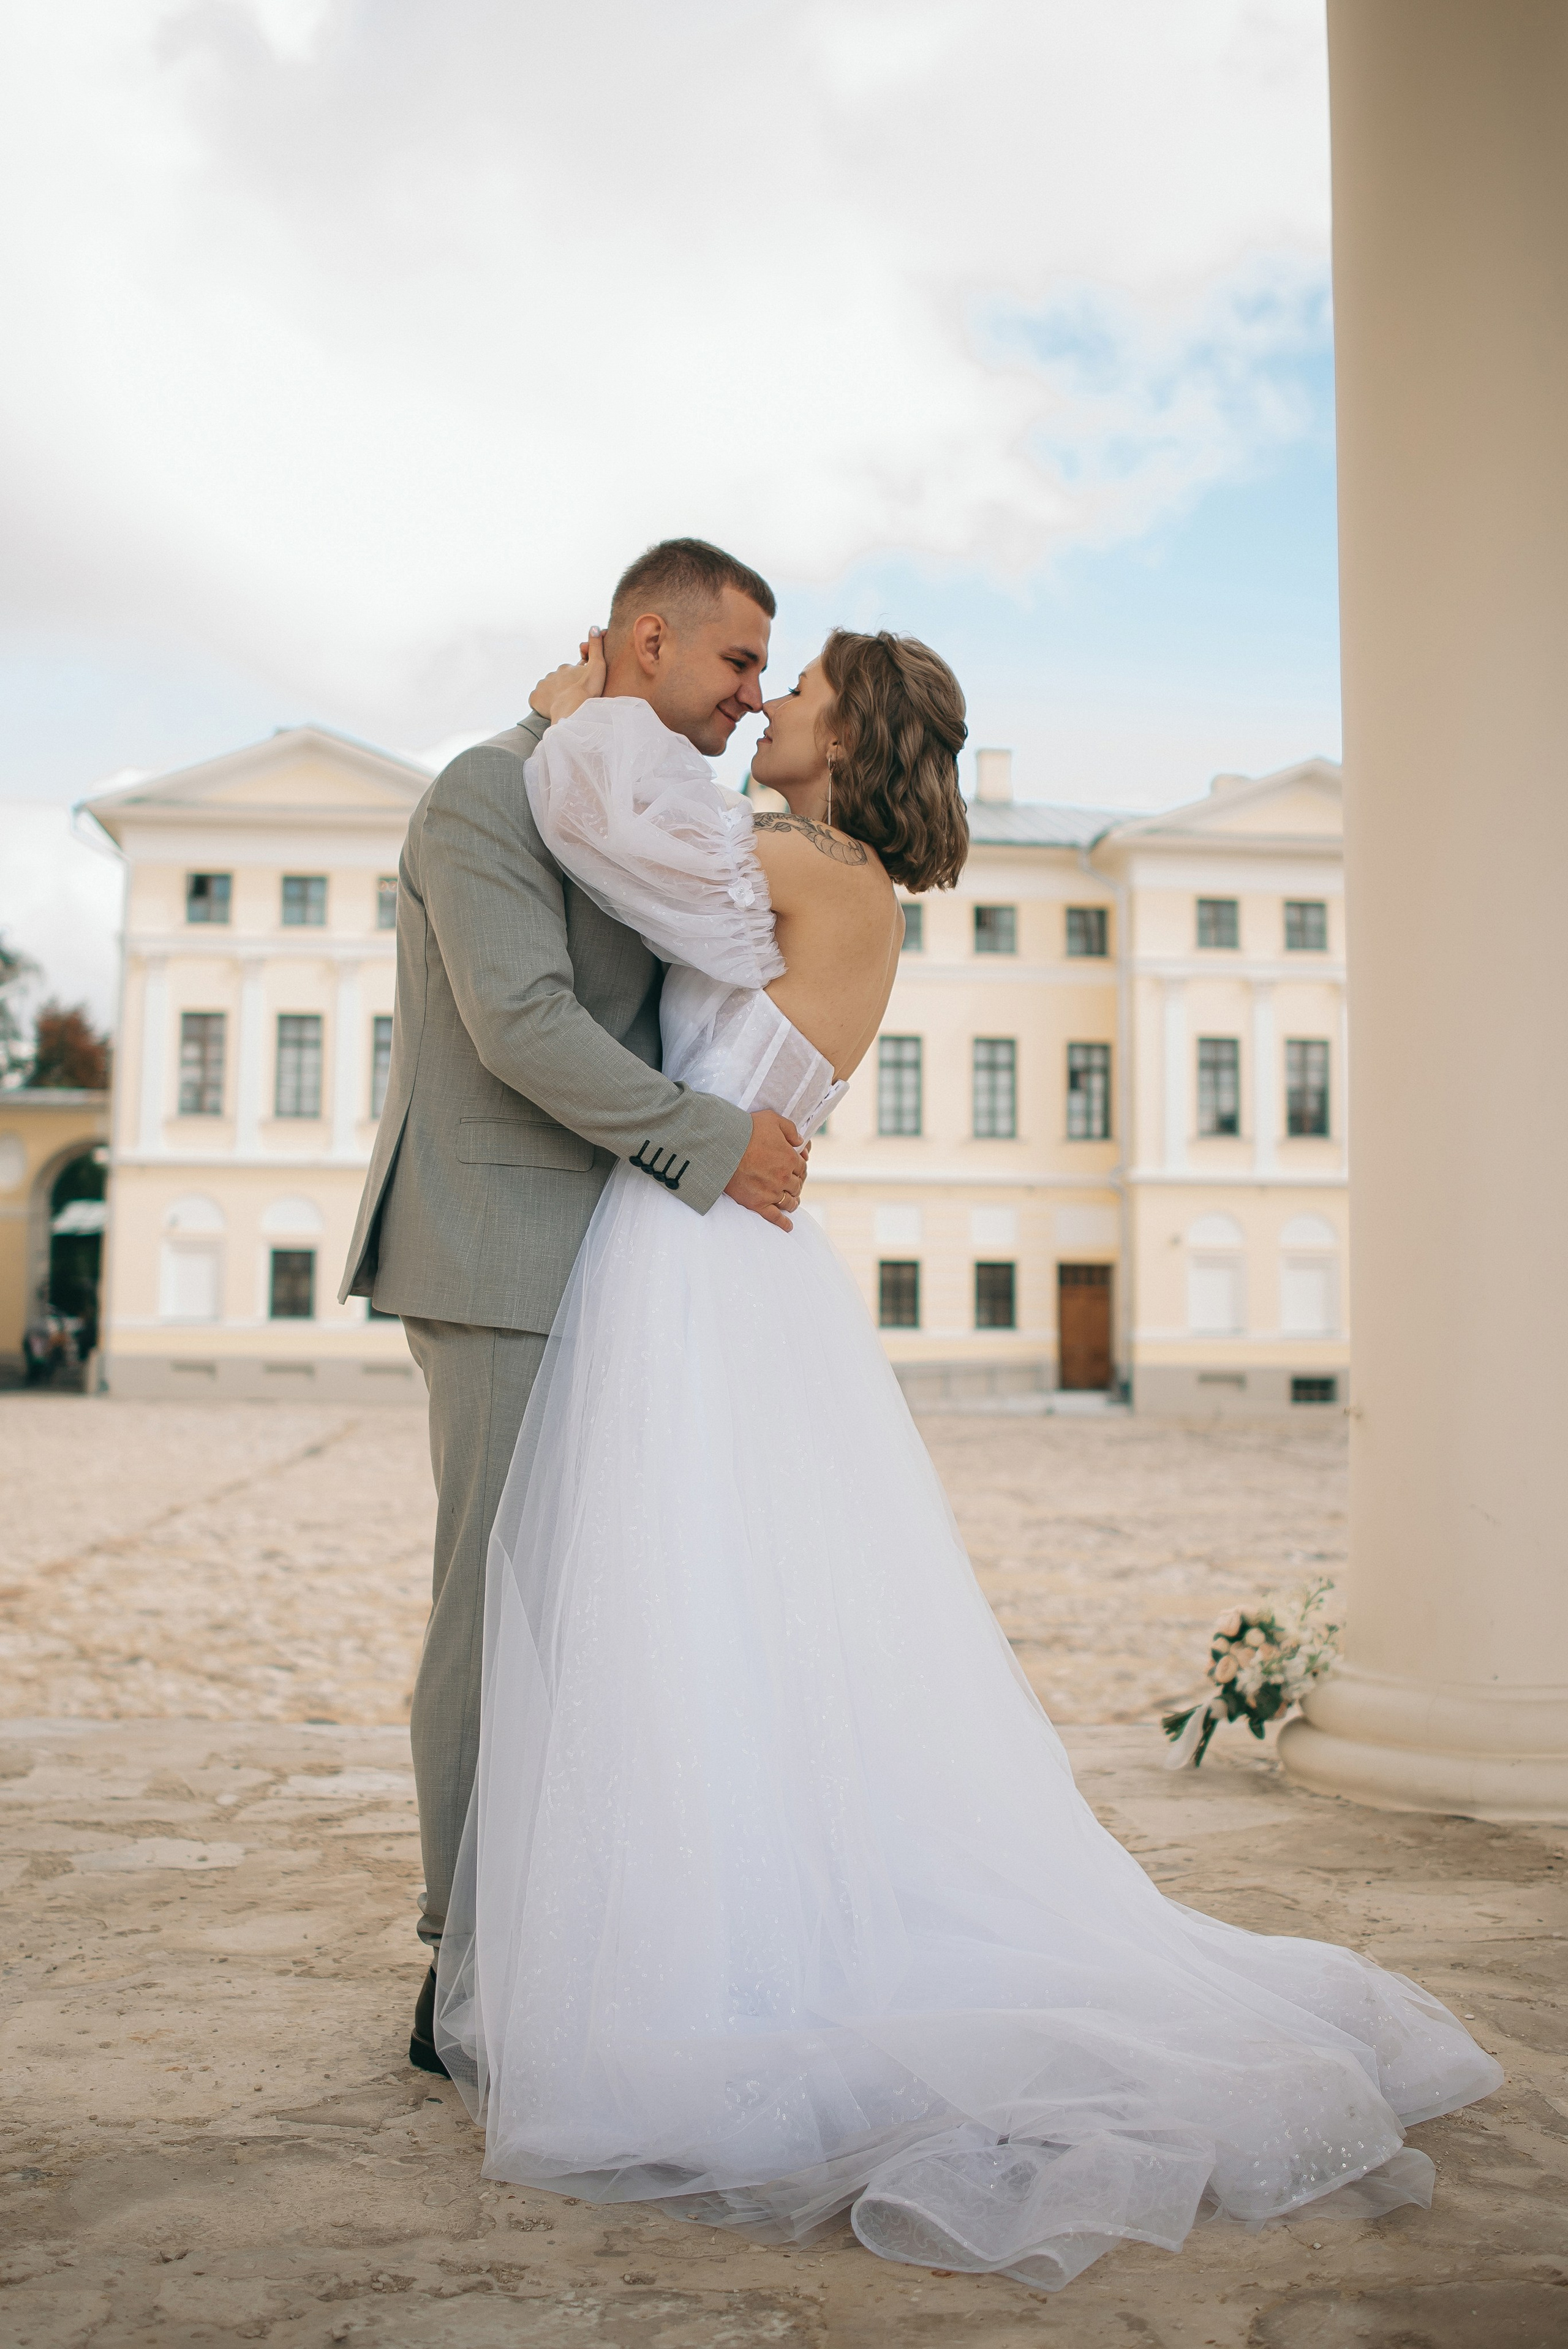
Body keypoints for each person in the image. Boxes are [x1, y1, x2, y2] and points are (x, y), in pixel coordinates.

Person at [432, 630, 1501, 2291]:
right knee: (716, 1586)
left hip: (706, 1249)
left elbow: (594, 833)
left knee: (685, 1575)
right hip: (717, 1234)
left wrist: (579, 713)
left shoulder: (796, 857)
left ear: (848, 731)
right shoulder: (821, 863)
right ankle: (726, 1900)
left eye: (796, 690)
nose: (768, 705)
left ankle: (718, 1936)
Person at [339, 539, 812, 2072]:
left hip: (614, 1254)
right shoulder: (489, 789)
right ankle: (456, 1964)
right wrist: (715, 1143)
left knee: (598, 1612)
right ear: (649, 638)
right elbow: (525, 1022)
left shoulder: (632, 786)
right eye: (738, 663)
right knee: (495, 1610)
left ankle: (570, 1930)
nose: (752, 699)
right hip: (494, 1245)